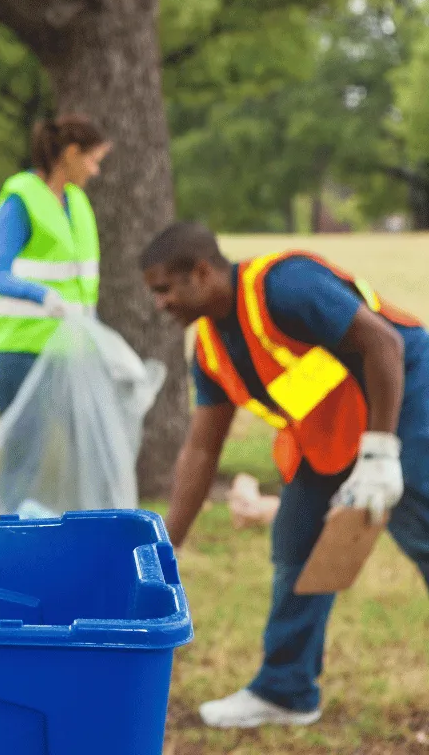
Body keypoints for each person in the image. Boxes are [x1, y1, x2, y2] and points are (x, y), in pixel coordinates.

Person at [140, 222, 429, 729]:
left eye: (164, 289)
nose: (159, 303)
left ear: (202, 272)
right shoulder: (211, 350)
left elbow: (384, 345)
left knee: (421, 533)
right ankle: (286, 690)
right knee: (296, 544)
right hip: (330, 430)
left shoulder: (284, 286)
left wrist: (382, 455)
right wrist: (169, 549)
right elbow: (202, 449)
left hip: (403, 399)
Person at [0, 114, 111, 415]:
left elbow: (79, 283)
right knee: (27, 457)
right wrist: (43, 296)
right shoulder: (20, 200)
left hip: (68, 352)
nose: (96, 171)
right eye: (93, 160)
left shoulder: (75, 202)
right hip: (20, 351)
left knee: (64, 454)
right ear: (71, 154)